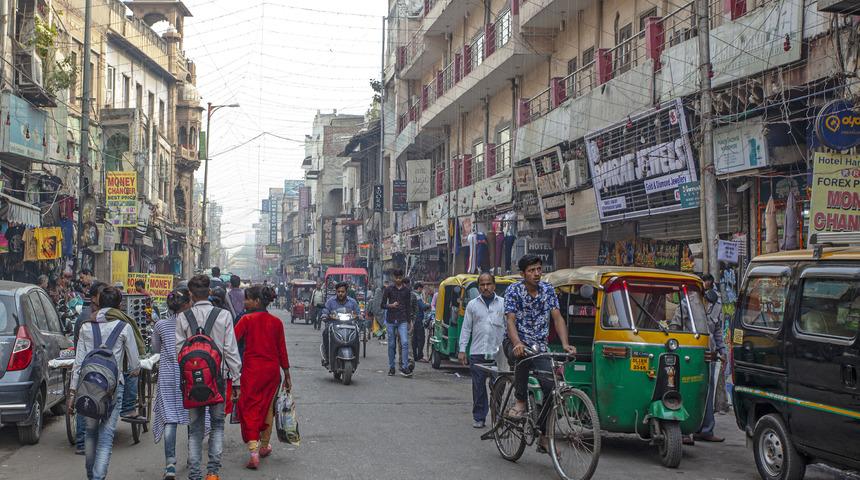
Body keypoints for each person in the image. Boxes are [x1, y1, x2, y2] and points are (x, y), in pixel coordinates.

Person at [503, 255, 576, 454]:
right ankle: (520, 401)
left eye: (538, 269)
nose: (536, 273)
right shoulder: (513, 291)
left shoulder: (548, 290)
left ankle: (543, 437)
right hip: (514, 342)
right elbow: (510, 320)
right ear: (523, 273)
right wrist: (517, 342)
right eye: (531, 270)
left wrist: (565, 344)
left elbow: (557, 317)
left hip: (540, 347)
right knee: (523, 355)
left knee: (552, 388)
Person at [68, 286, 140, 480]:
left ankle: (92, 476)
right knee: (106, 436)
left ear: (98, 303)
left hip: (88, 385)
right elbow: (134, 365)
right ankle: (98, 477)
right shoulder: (125, 327)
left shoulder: (85, 327)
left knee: (90, 432)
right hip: (113, 387)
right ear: (118, 305)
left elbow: (78, 362)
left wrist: (72, 393)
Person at [176, 275, 243, 480]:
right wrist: (237, 378)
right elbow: (231, 350)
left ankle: (195, 474)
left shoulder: (183, 317)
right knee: (217, 425)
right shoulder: (223, 316)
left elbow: (179, 352)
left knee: (195, 429)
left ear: (191, 294)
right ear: (210, 292)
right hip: (218, 379)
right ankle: (212, 472)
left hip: (192, 380)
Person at [235, 285, 291, 469]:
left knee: (250, 407)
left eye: (247, 299)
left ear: (257, 301)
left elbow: (232, 342)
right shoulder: (276, 322)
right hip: (272, 372)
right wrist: (287, 373)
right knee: (268, 408)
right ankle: (264, 446)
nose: (245, 302)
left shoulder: (246, 320)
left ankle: (253, 451)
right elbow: (282, 350)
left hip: (252, 372)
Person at [152, 288, 192, 480]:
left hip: (168, 376)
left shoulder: (160, 325)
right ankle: (193, 458)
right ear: (186, 304)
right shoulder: (192, 323)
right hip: (189, 373)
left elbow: (155, 349)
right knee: (194, 416)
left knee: (170, 420)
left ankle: (170, 465)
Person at [459, 273, 505, 428]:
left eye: (488, 284)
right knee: (478, 387)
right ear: (479, 287)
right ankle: (479, 417)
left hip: (498, 353)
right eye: (482, 285)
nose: (485, 287)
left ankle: (497, 415)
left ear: (494, 285)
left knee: (498, 386)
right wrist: (462, 349)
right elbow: (466, 328)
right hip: (477, 352)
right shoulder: (472, 305)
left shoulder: (503, 304)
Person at [690, 273, 726, 444]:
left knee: (708, 391)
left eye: (709, 287)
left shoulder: (716, 303)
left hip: (709, 353)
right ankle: (685, 430)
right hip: (690, 353)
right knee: (689, 390)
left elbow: (717, 329)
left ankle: (706, 430)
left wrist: (722, 350)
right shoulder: (688, 303)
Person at [381, 270, 413, 377]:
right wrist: (391, 305)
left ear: (402, 277)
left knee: (404, 343)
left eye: (400, 277)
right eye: (396, 278)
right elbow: (382, 305)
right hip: (391, 320)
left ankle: (404, 367)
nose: (398, 280)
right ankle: (391, 367)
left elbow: (408, 307)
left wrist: (410, 321)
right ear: (393, 277)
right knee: (391, 344)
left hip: (402, 319)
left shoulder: (407, 290)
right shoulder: (389, 289)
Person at [321, 282, 361, 366]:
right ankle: (327, 357)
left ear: (346, 292)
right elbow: (325, 310)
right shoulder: (330, 301)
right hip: (334, 325)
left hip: (350, 326)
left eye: (342, 292)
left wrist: (359, 316)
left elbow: (358, 312)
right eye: (338, 291)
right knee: (325, 333)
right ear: (336, 292)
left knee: (358, 334)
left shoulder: (352, 302)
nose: (340, 293)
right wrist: (325, 315)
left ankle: (356, 357)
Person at [412, 282, 430, 363]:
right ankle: (420, 356)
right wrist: (428, 305)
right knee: (421, 338)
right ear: (419, 288)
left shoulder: (411, 294)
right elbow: (422, 307)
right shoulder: (417, 296)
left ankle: (415, 356)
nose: (422, 290)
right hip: (418, 320)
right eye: (422, 289)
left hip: (412, 320)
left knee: (414, 339)